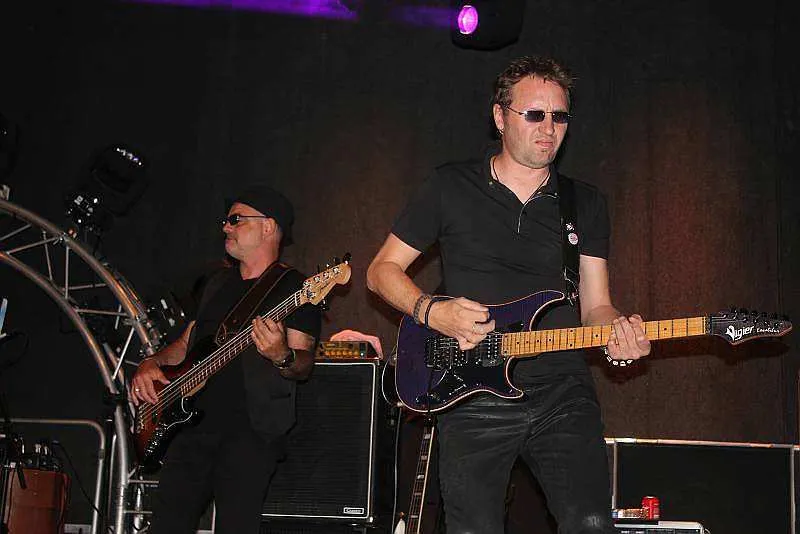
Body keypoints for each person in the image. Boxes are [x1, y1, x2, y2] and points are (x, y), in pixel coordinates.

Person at [366, 56, 651, 533]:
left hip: (562, 390)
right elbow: (380, 272)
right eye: (534, 114)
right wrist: (431, 311)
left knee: (591, 524)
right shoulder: (449, 186)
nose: (549, 129)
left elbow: (597, 304)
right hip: (472, 390)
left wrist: (617, 335)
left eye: (560, 116)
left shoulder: (585, 203)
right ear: (499, 117)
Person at [131, 185, 321, 534]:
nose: (225, 227)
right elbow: (187, 343)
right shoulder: (216, 282)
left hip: (251, 433)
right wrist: (152, 363)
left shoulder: (296, 288)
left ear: (268, 226)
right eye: (226, 221)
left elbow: (303, 364)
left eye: (236, 220)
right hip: (191, 427)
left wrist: (281, 355)